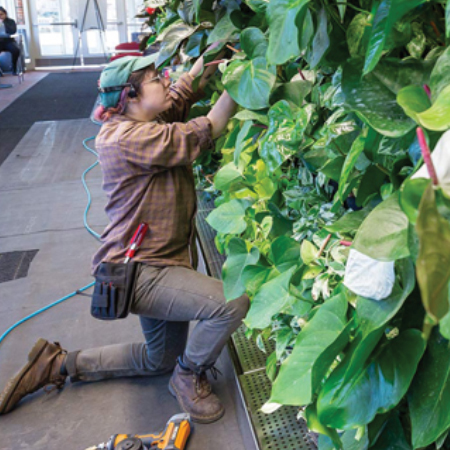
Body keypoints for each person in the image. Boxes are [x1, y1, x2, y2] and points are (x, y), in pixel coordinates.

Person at [0, 49, 250, 424]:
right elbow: (205, 130)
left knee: (157, 359)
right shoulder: (125, 138)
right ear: (129, 96)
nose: (166, 80)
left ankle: (58, 364)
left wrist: (211, 57)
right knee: (232, 304)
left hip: (157, 262)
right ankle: (188, 376)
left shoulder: (142, 117)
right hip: (143, 273)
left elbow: (182, 92)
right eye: (156, 79)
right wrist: (246, 77)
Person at [0, 7, 20, 75]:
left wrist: (3, 24)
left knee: (16, 50)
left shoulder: (11, 21)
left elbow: (13, 31)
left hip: (8, 41)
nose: (0, 17)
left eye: (1, 14)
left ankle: (14, 67)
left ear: (5, 14)